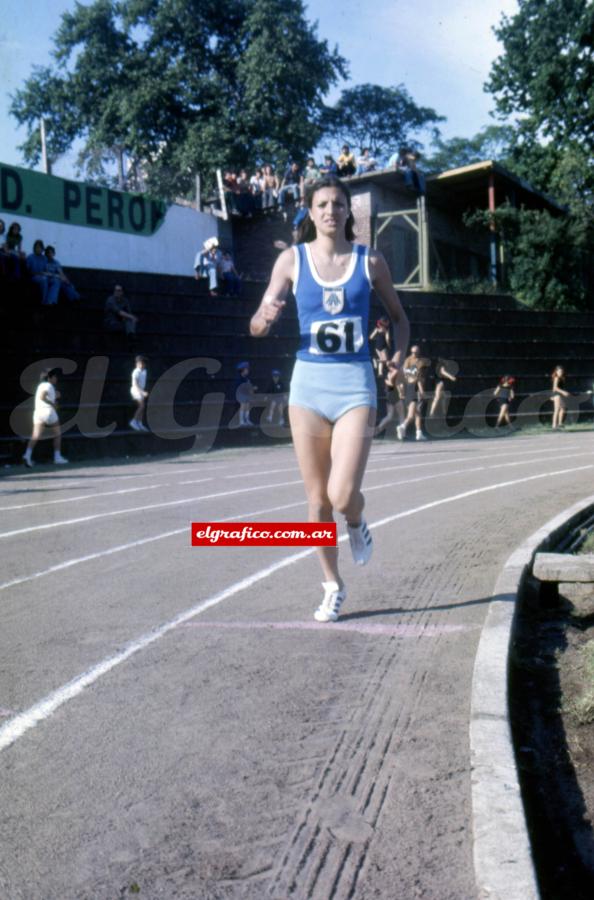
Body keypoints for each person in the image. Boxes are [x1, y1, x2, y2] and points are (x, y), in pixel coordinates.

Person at [250, 174, 409, 623]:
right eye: (322, 204)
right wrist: (264, 317)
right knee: (317, 501)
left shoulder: (370, 260)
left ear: (347, 212)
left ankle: (356, 523)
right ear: (310, 210)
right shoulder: (291, 261)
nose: (330, 211)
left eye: (338, 204)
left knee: (342, 496)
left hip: (356, 385)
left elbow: (399, 318)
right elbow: (256, 327)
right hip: (309, 388)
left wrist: (396, 359)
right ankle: (331, 585)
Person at [22, 368, 69, 467]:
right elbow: (42, 397)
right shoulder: (48, 385)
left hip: (38, 413)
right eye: (55, 376)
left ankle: (27, 455)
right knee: (57, 434)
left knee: (35, 435)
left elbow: (45, 396)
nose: (56, 378)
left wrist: (55, 397)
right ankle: (57, 457)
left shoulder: (41, 386)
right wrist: (52, 403)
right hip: (48, 412)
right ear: (50, 378)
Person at [395, 345, 429, 441]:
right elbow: (417, 381)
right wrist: (422, 393)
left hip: (410, 390)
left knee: (417, 413)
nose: (415, 354)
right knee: (411, 415)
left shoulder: (415, 365)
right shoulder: (412, 365)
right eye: (413, 352)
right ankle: (402, 427)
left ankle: (419, 433)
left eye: (416, 352)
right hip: (413, 391)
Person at [26, 239, 60, 306]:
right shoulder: (30, 257)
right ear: (34, 248)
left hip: (43, 275)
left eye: (40, 248)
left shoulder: (44, 258)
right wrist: (39, 274)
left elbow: (46, 270)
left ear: (42, 249)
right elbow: (27, 271)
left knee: (56, 281)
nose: (38, 249)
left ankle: (50, 301)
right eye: (37, 247)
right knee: (44, 280)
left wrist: (51, 274)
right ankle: (43, 302)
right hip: (34, 276)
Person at [234, 361, 258, 426]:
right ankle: (241, 421)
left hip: (246, 395)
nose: (247, 371)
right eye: (246, 369)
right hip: (240, 395)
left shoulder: (246, 379)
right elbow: (240, 388)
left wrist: (252, 388)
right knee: (243, 405)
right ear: (243, 370)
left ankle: (247, 420)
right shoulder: (239, 379)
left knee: (247, 406)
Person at [129, 355, 150, 432]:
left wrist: (142, 391)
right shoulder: (135, 372)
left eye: (143, 363)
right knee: (142, 406)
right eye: (140, 363)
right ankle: (133, 421)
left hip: (141, 391)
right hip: (135, 391)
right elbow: (135, 385)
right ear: (137, 364)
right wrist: (142, 392)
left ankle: (140, 423)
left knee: (143, 407)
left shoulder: (144, 371)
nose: (142, 365)